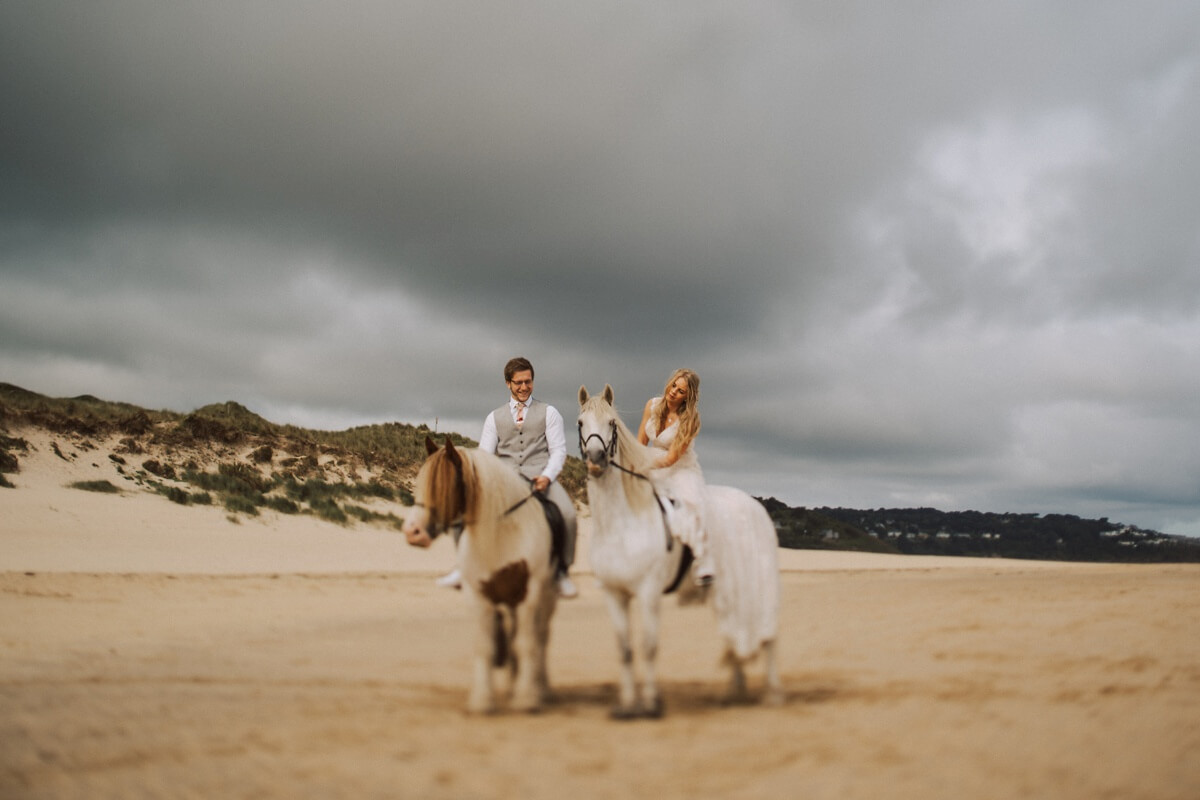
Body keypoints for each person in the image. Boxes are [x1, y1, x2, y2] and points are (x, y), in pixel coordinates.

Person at [436, 356, 579, 598]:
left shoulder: (550, 412)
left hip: (540, 474)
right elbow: (485, 453)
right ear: (507, 384)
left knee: (568, 514)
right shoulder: (494, 418)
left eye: (528, 382)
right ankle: (463, 566)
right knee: (465, 510)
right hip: (505, 478)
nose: (524, 387)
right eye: (518, 383)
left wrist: (547, 476)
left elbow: (559, 451)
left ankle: (561, 572)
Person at [636, 367, 713, 585]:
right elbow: (641, 441)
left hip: (680, 466)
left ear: (688, 396)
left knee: (691, 502)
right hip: (652, 457)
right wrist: (633, 462)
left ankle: (703, 562)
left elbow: (671, 459)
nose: (673, 392)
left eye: (680, 391)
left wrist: (644, 463)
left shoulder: (690, 420)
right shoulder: (652, 405)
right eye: (673, 386)